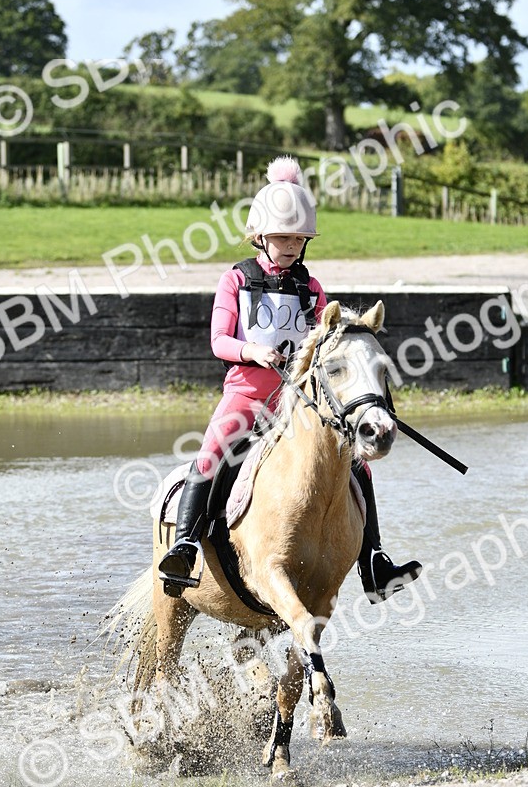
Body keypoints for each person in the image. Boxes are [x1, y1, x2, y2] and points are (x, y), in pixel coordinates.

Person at [158, 155, 422, 602]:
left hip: (296, 402)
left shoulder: (311, 287)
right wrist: (253, 351)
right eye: (283, 237)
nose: (291, 246)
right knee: (208, 456)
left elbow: (327, 342)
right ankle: (184, 547)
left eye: (299, 238)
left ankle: (374, 562)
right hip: (246, 395)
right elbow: (218, 341)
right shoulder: (236, 279)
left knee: (359, 468)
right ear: (260, 235)